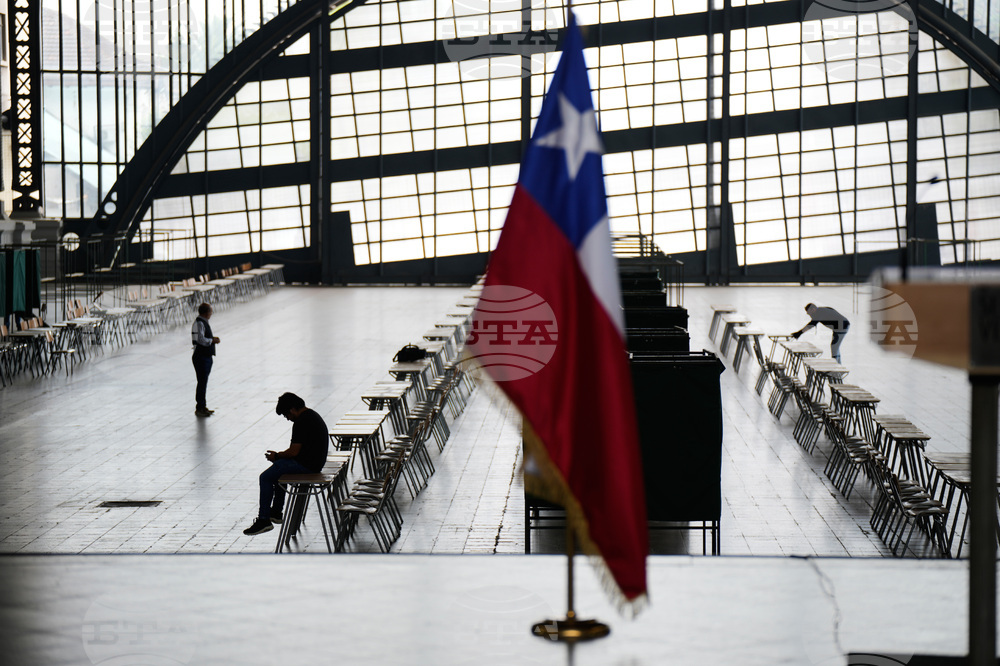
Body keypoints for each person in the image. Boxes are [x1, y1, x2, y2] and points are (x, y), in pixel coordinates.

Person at [243, 392, 330, 536]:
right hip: (315, 463)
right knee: (278, 471)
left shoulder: (301, 422)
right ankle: (276, 512)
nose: (288, 419)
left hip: (307, 466)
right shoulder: (312, 415)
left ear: (292, 409)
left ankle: (264, 519)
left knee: (265, 477)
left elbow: (293, 452)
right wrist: (279, 458)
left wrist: (277, 456)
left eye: (286, 415)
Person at [191, 302, 220, 417]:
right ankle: (200, 407)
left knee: (203, 382)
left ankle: (203, 406)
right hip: (201, 356)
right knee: (202, 382)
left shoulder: (203, 322)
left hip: (206, 356)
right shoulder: (200, 323)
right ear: (206, 312)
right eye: (210, 312)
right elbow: (201, 339)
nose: (211, 314)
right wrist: (212, 340)